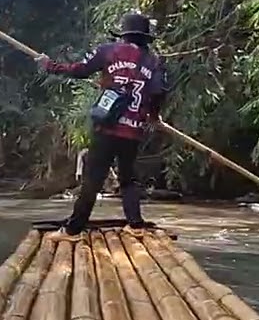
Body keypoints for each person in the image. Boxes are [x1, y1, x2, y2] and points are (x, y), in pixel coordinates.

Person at [37, 12, 169, 239]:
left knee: (93, 179)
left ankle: (73, 230)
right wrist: (153, 117)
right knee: (128, 178)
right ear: (145, 38)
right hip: (133, 130)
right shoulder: (154, 62)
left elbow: (78, 70)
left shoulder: (108, 51)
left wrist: (50, 65)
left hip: (107, 128)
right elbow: (158, 92)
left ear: (124, 35)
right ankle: (135, 226)